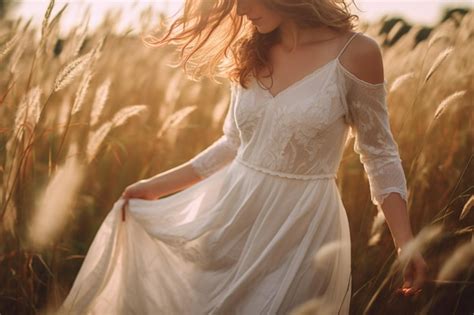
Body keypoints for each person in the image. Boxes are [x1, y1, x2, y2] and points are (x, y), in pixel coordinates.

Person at [60, 0, 428, 314]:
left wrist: (404, 241)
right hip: (232, 215)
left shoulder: (356, 53)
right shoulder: (250, 52)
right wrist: (154, 188)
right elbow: (234, 144)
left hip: (301, 228)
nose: (239, 8)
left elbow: (379, 154)